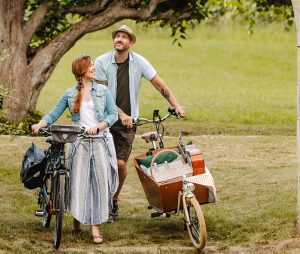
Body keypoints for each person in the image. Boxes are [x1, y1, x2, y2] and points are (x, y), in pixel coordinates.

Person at [94, 25, 186, 219]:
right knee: (102, 163)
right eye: (116, 36)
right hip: (103, 119)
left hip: (128, 122)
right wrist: (120, 114)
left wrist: (176, 105)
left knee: (119, 164)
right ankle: (97, 199)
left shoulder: (139, 62)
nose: (119, 39)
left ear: (131, 43)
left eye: (123, 37)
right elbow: (102, 96)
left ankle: (114, 200)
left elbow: (159, 84)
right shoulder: (101, 62)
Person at [32, 55, 118, 244]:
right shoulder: (70, 93)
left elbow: (113, 114)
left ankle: (96, 227)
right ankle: (78, 218)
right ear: (82, 71)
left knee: (99, 183)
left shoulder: (103, 91)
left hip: (99, 141)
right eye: (90, 66)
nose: (94, 68)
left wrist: (100, 126)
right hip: (77, 143)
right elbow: (54, 113)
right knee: (78, 182)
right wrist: (41, 123)